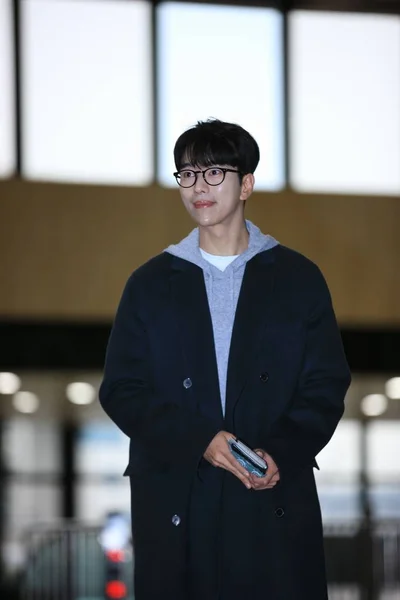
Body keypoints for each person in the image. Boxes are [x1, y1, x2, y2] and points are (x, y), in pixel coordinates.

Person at [99, 118, 351, 600]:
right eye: (188, 174)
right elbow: (122, 389)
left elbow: (325, 384)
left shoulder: (297, 278)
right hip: (178, 494)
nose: (199, 186)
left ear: (246, 183)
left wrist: (281, 450)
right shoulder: (150, 283)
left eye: (215, 172)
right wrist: (200, 440)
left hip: (270, 488)